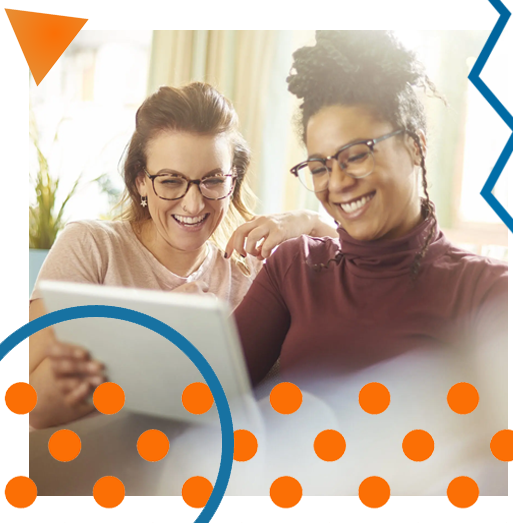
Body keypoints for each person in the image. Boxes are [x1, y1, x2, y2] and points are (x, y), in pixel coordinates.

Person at [29, 82, 336, 429]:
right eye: (172, 181)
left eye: (213, 180)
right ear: (140, 181)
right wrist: (159, 328)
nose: (193, 204)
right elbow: (31, 404)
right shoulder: (91, 247)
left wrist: (310, 221)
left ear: (232, 181)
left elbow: (362, 268)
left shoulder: (252, 269)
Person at [234, 30, 507, 388]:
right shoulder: (293, 268)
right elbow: (205, 391)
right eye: (319, 167)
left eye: (357, 155)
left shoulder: (489, 291)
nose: (337, 182)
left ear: (415, 146)